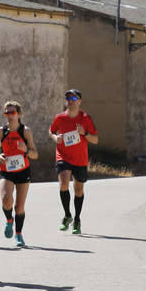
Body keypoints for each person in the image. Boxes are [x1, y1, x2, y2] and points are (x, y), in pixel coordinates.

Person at [49, 88, 99, 234]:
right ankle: (67, 215)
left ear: (79, 101)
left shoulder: (85, 118)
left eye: (73, 99)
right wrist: (54, 138)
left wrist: (85, 133)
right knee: (64, 183)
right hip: (63, 156)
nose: (70, 101)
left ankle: (77, 219)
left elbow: (95, 139)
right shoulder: (59, 118)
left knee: (78, 189)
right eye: (68, 99)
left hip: (80, 159)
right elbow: (51, 130)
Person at [0, 101, 38, 247]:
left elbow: (35, 154)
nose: (9, 115)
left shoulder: (25, 131)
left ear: (19, 114)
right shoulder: (1, 131)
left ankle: (18, 234)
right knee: (6, 200)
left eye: (12, 112)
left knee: (19, 207)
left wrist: (25, 149)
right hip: (6, 171)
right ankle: (9, 220)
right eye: (7, 113)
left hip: (23, 171)